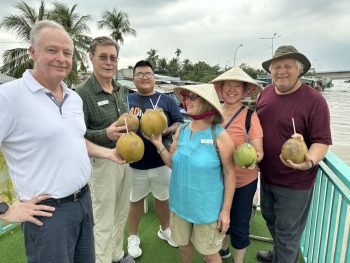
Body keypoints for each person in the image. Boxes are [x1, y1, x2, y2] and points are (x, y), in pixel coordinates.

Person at [0, 20, 125, 263]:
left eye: (67, 53)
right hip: (48, 214)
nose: (61, 58)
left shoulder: (73, 98)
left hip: (84, 202)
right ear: (32, 52)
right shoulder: (9, 97)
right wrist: (4, 210)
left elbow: (75, 140)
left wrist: (108, 154)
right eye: (52, 50)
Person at [256, 45, 332, 263]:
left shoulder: (314, 100)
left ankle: (284, 255)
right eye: (276, 67)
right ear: (270, 71)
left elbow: (322, 141)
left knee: (288, 231)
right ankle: (279, 253)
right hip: (267, 175)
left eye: (288, 66)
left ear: (299, 70)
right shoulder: (266, 93)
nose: (281, 71)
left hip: (295, 181)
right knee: (269, 218)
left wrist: (309, 161)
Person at [146, 83, 236, 263]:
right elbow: (173, 164)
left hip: (206, 210)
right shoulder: (182, 130)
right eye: (186, 96)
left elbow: (230, 174)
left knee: (209, 254)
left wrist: (225, 211)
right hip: (180, 205)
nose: (187, 100)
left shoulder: (219, 135)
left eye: (193, 97)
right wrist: (158, 144)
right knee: (184, 247)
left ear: (206, 103)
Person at [76, 36, 133, 263]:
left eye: (113, 57)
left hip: (125, 160)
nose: (109, 62)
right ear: (91, 58)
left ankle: (117, 253)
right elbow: (77, 135)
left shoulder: (121, 90)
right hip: (101, 163)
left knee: (121, 212)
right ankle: (102, 259)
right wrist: (105, 134)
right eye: (103, 57)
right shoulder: (82, 93)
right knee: (103, 217)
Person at [126, 60, 183, 258]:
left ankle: (164, 229)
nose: (144, 77)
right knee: (135, 201)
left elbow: (179, 122)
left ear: (154, 77)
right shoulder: (128, 100)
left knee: (163, 198)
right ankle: (132, 236)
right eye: (139, 74)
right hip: (135, 163)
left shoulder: (166, 100)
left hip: (161, 160)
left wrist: (166, 130)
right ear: (133, 79)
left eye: (148, 73)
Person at [210, 67, 264, 263]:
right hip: (216, 179)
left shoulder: (251, 117)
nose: (232, 90)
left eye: (237, 87)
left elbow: (259, 152)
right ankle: (223, 249)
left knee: (240, 223)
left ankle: (238, 260)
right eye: (228, 86)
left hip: (243, 181)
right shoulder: (213, 114)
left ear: (244, 91)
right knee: (218, 219)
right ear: (221, 89)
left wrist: (251, 161)